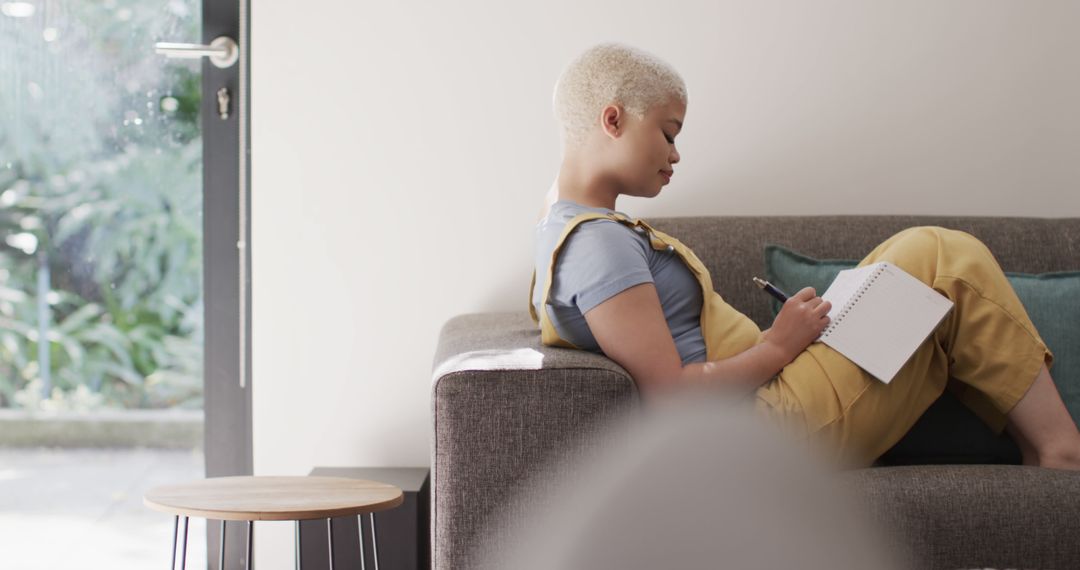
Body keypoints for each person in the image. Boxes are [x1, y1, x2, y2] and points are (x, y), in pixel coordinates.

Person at [531, 41, 1080, 470]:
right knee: (942, 258)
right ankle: (1062, 451)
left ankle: (1044, 453)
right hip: (759, 430)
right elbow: (672, 397)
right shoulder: (595, 242)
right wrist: (778, 344)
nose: (676, 154)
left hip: (767, 410)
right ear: (612, 120)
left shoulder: (572, 231)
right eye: (668, 132)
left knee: (917, 278)